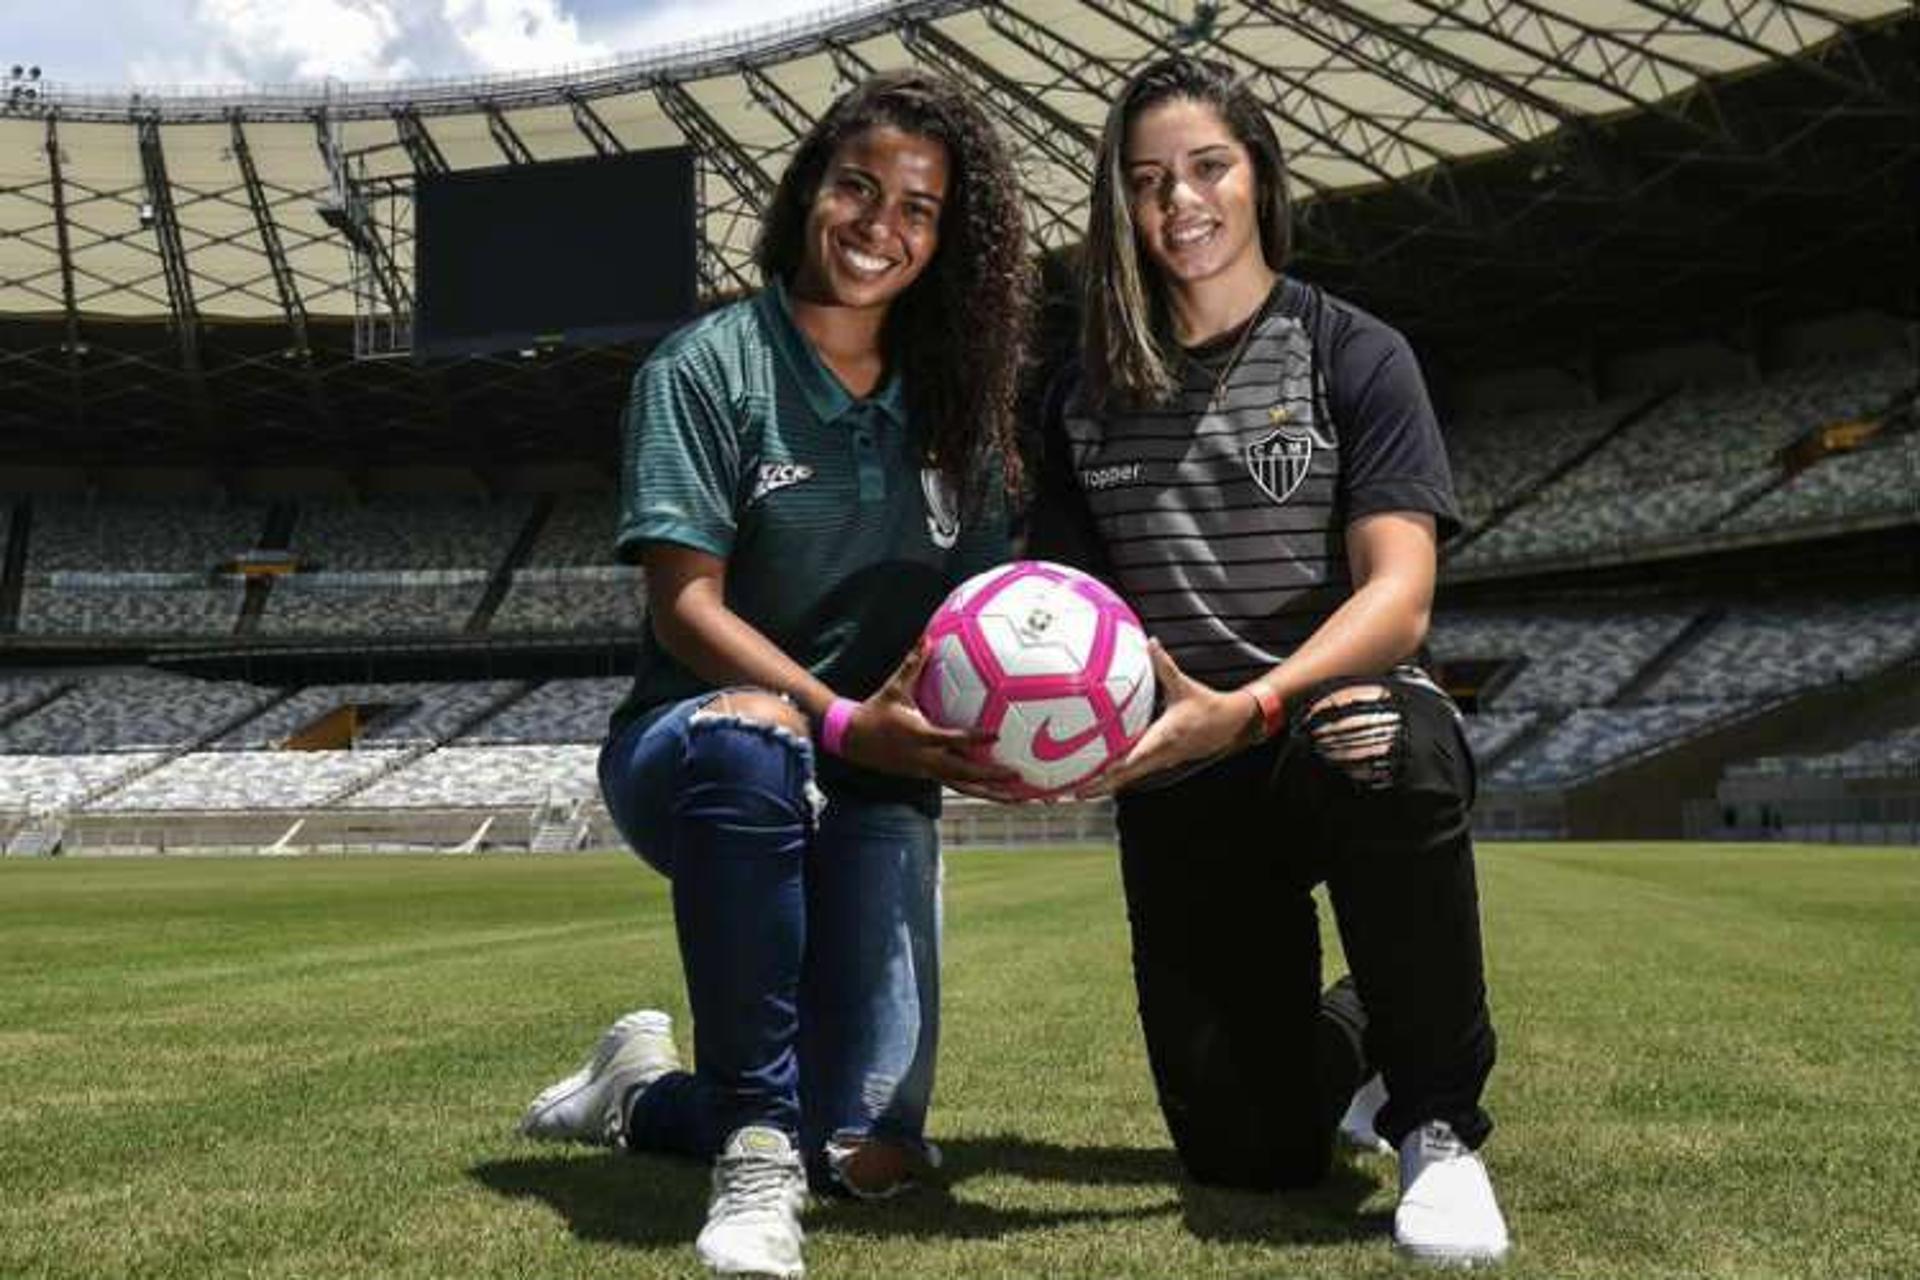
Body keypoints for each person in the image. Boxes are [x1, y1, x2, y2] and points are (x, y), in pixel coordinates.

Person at [518, 70, 1030, 1280]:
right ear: (809, 191)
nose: (879, 225)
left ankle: (635, 1096)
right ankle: (748, 1150)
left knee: (863, 1151)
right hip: (701, 750)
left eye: (918, 208)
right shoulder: (706, 368)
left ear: (949, 241)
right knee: (755, 732)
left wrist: (1008, 739)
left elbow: (997, 618)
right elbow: (686, 607)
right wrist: (842, 715)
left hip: (879, 786)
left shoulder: (962, 408)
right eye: (857, 186)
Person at [1029, 56, 1509, 1265]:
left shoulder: (1355, 353)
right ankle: (1368, 1026)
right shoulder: (1075, 400)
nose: (1179, 203)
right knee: (1251, 1152)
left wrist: (1252, 704)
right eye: (1147, 182)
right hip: (1185, 764)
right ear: (1119, 207)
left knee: (1384, 738)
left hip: (1315, 713)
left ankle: (1440, 1123)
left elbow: (1399, 597)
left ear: (1258, 179)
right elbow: (1070, 619)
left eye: (1207, 168)